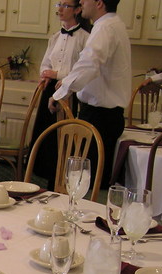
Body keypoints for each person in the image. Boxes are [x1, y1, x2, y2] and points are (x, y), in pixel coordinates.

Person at [50, 0, 131, 188]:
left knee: (87, 182)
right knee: (91, 180)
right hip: (106, 115)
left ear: (99, 3)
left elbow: (89, 64)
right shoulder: (114, 25)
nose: (81, 2)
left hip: (100, 116)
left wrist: (60, 93)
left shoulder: (105, 28)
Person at [32, 0, 90, 189]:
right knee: (47, 138)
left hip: (70, 91)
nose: (60, 9)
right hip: (51, 90)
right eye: (59, 4)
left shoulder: (85, 38)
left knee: (64, 139)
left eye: (66, 5)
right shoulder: (55, 37)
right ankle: (45, 177)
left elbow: (82, 70)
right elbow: (46, 63)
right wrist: (45, 74)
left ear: (77, 10)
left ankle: (60, 182)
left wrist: (57, 74)